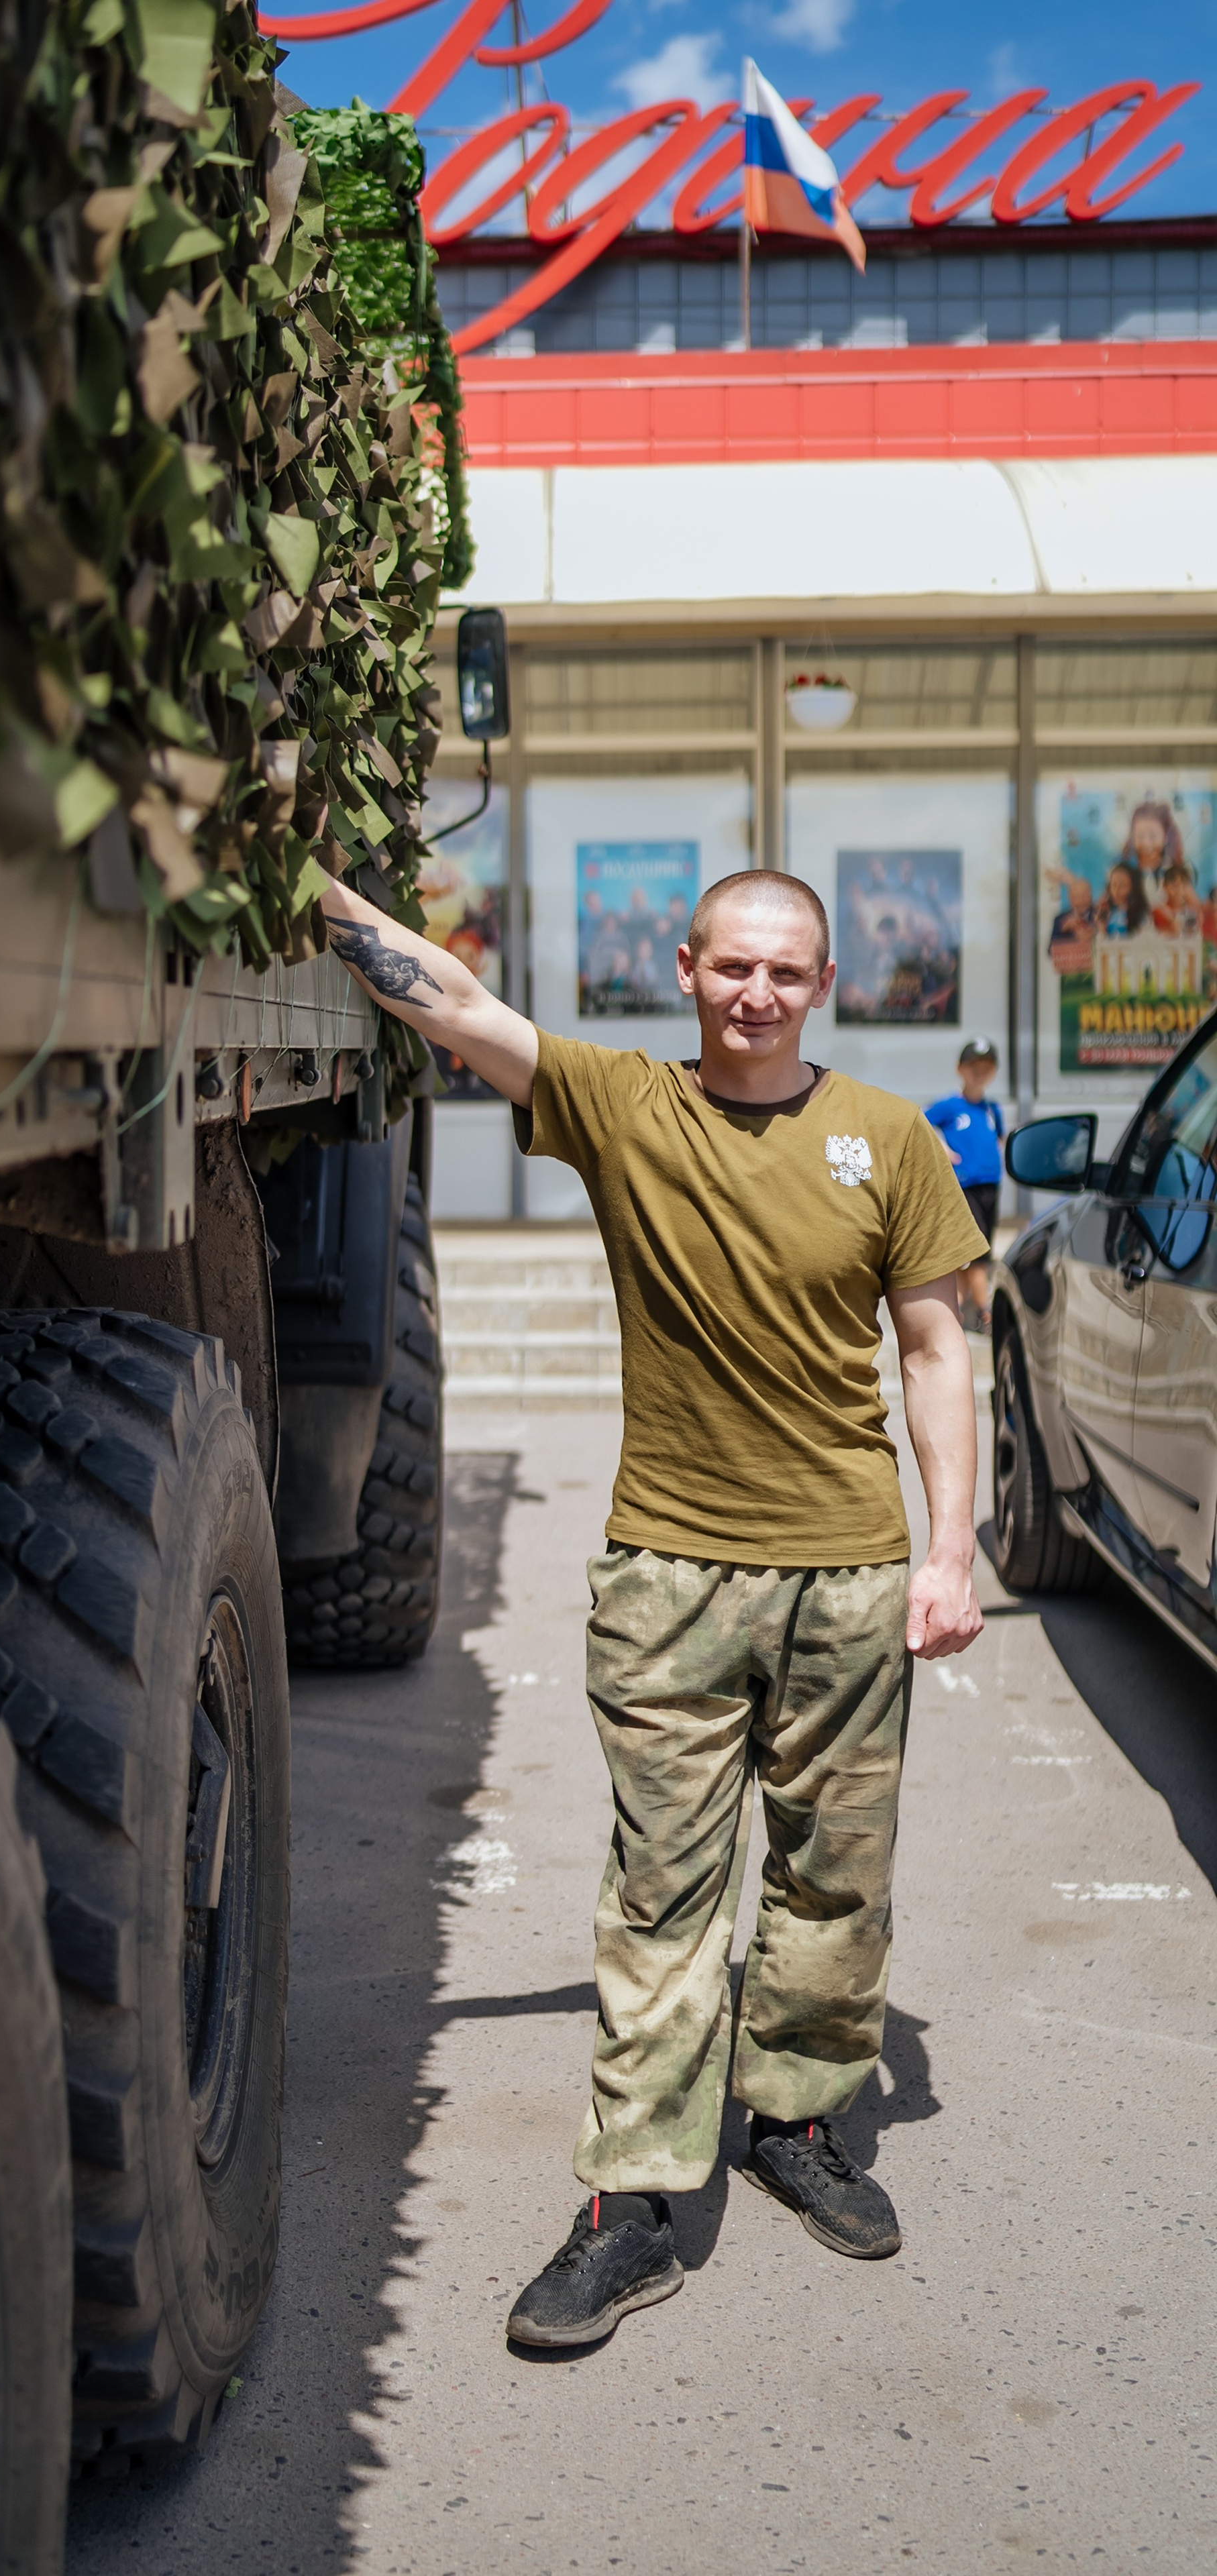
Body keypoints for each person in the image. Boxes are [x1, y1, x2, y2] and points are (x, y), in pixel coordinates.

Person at [320, 862, 986, 2348]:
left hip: (848, 1572)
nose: (756, 994)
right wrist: (316, 893)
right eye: (731, 967)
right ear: (683, 969)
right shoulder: (625, 1108)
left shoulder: (887, 1142)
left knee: (833, 1877)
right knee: (661, 1895)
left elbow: (936, 1352)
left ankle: (793, 2121)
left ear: (826, 985)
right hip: (666, 1576)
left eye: (786, 972)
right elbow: (465, 1010)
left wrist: (950, 1554)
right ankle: (632, 2205)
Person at [924, 1039, 1005, 1330]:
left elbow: (998, 1139)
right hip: (964, 1187)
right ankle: (986, 1313)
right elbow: (920, 1123)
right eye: (974, 1067)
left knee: (968, 1258)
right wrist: (942, 1148)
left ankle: (955, 1313)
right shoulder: (950, 1106)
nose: (979, 1073)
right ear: (961, 1069)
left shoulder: (992, 1109)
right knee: (978, 1252)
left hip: (990, 1187)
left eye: (986, 1068)